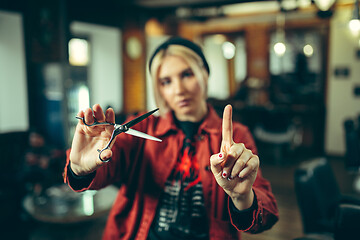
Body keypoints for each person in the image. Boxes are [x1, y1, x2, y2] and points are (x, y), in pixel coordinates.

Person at [63, 37, 279, 239]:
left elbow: (266, 213)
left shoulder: (236, 135)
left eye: (187, 74)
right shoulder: (142, 129)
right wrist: (80, 169)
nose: (178, 90)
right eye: (166, 81)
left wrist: (243, 198)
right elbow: (109, 165)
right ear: (159, 89)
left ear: (204, 74)